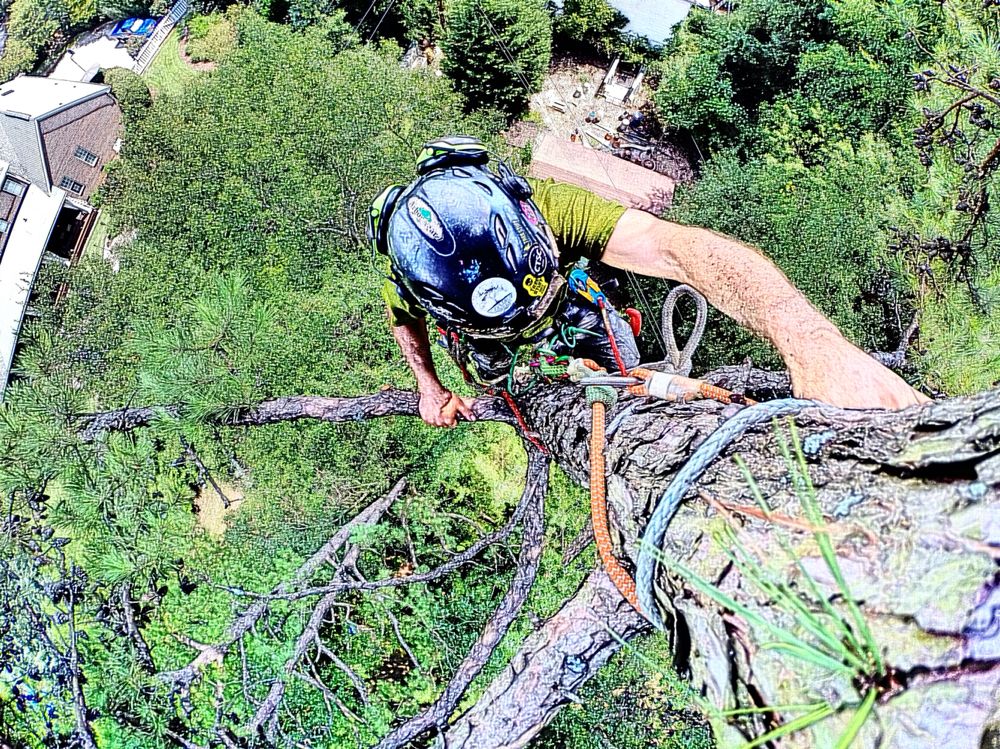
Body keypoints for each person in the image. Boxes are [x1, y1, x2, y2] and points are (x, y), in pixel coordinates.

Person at [368, 136, 928, 427]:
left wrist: (813, 346)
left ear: (530, 219)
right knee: (501, 382)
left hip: (566, 306)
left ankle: (629, 401)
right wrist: (429, 385)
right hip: (487, 345)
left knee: (621, 366)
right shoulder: (413, 270)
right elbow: (405, 325)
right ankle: (526, 393)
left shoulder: (546, 206)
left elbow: (679, 250)